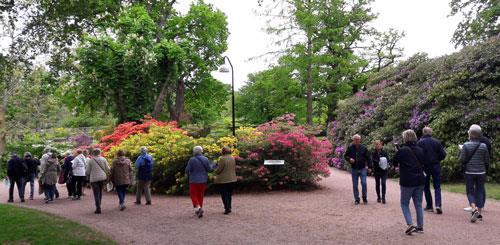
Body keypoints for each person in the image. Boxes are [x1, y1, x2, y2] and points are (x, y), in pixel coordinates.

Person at [394, 129, 426, 235]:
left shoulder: (403, 150)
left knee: (404, 203)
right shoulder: (420, 149)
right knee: (418, 204)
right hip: (420, 180)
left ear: (405, 138)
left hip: (407, 180)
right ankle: (420, 227)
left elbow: (394, 162)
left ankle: (410, 224)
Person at [459, 125, 490, 223]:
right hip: (481, 172)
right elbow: (487, 160)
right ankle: (479, 213)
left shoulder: (466, 145)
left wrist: (461, 150)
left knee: (470, 191)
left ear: (470, 134)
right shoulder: (484, 146)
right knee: (480, 191)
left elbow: (462, 159)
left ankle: (473, 208)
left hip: (469, 172)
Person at [417, 127, 446, 214]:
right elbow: (443, 154)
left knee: (426, 186)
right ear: (430, 132)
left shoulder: (419, 143)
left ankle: (429, 205)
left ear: (423, 133)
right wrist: (437, 160)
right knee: (437, 186)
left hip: (425, 166)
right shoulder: (436, 142)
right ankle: (438, 205)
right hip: (435, 166)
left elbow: (418, 155)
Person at [344, 134, 371, 204]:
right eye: (355, 139)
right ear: (353, 140)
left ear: (360, 140)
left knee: (364, 183)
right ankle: (357, 199)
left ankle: (364, 197)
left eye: (358, 139)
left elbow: (368, 158)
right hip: (354, 169)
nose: (357, 141)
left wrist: (369, 167)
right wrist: (349, 159)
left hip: (362, 168)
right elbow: (345, 156)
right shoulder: (350, 147)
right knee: (355, 185)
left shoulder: (364, 148)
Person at [186, 146, 212, 218]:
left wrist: (188, 174)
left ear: (194, 152)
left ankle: (198, 209)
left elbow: (187, 170)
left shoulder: (192, 160)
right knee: (200, 195)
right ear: (201, 151)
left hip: (193, 180)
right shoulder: (206, 159)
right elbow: (209, 169)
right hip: (203, 180)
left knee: (193, 195)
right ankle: (199, 209)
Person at [86, 148, 110, 214]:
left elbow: (87, 171)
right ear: (99, 152)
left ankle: (98, 207)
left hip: (94, 179)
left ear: (93, 153)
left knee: (96, 193)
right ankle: (99, 205)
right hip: (102, 178)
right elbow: (108, 169)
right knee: (100, 192)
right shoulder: (103, 159)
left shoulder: (91, 160)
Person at [214, 147, 237, 214]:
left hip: (223, 180)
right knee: (229, 195)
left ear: (223, 151)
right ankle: (229, 207)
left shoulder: (222, 158)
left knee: (224, 195)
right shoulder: (232, 158)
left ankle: (227, 208)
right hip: (232, 179)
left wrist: (215, 170)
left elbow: (219, 170)